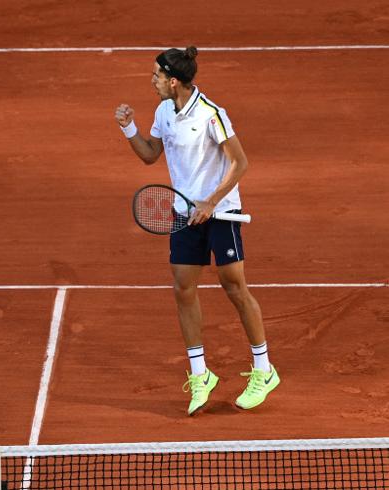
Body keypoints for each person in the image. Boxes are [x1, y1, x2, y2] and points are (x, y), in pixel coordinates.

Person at [115, 46, 279, 416]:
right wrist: (128, 128)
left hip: (221, 212)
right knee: (183, 287)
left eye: (157, 75)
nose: (152, 81)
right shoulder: (163, 111)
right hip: (182, 213)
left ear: (173, 81)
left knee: (234, 287)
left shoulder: (211, 115)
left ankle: (264, 369)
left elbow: (240, 163)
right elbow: (149, 154)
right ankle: (200, 374)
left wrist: (210, 202)